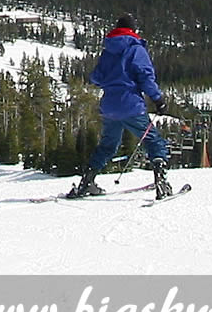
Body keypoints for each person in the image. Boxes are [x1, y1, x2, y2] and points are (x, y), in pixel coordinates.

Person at [67, 14, 173, 200]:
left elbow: (96, 77)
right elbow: (146, 77)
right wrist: (158, 100)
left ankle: (86, 183)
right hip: (131, 104)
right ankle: (161, 183)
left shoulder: (108, 51)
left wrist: (113, 80)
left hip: (109, 106)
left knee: (108, 145)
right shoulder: (136, 49)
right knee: (153, 141)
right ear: (133, 30)